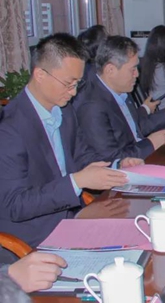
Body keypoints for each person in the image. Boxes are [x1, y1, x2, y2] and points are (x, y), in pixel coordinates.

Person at [0, 34, 142, 250]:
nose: (74, 92)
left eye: (78, 83)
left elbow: (81, 156)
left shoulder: (64, 111)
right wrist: (76, 182)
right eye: (68, 83)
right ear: (40, 75)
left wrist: (116, 166)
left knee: (141, 231)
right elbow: (15, 205)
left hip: (71, 217)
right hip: (34, 237)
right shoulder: (9, 128)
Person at [74, 36, 165, 161]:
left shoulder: (120, 89)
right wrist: (151, 143)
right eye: (132, 69)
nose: (137, 74)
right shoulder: (92, 107)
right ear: (110, 70)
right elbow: (111, 159)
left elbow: (133, 129)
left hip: (139, 157)